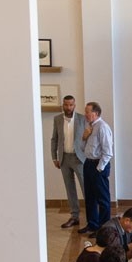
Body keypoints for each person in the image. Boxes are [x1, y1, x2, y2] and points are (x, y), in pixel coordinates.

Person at [51, 94, 87, 229]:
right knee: (69, 188)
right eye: (66, 105)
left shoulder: (82, 119)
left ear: (74, 105)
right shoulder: (57, 119)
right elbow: (54, 139)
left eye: (71, 105)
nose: (68, 107)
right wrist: (54, 157)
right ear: (63, 105)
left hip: (79, 158)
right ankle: (74, 216)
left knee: (85, 187)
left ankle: (91, 216)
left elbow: (88, 138)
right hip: (64, 158)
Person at [80, 101, 114, 235]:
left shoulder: (102, 127)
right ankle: (92, 225)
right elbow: (83, 149)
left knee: (102, 199)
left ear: (96, 113)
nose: (85, 114)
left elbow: (108, 152)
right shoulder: (89, 127)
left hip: (98, 165)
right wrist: (84, 137)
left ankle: (103, 229)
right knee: (90, 197)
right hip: (88, 163)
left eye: (87, 112)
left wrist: (99, 168)